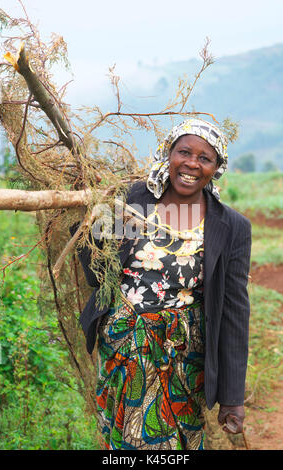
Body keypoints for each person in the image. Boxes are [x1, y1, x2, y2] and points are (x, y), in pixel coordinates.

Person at [72, 118, 252, 450]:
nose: (192, 164)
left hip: (185, 358)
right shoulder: (131, 200)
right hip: (125, 347)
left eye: (205, 158)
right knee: (130, 437)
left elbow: (234, 312)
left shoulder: (230, 227)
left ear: (217, 167)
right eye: (184, 152)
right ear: (168, 153)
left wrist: (232, 397)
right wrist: (92, 212)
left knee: (178, 439)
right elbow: (96, 270)